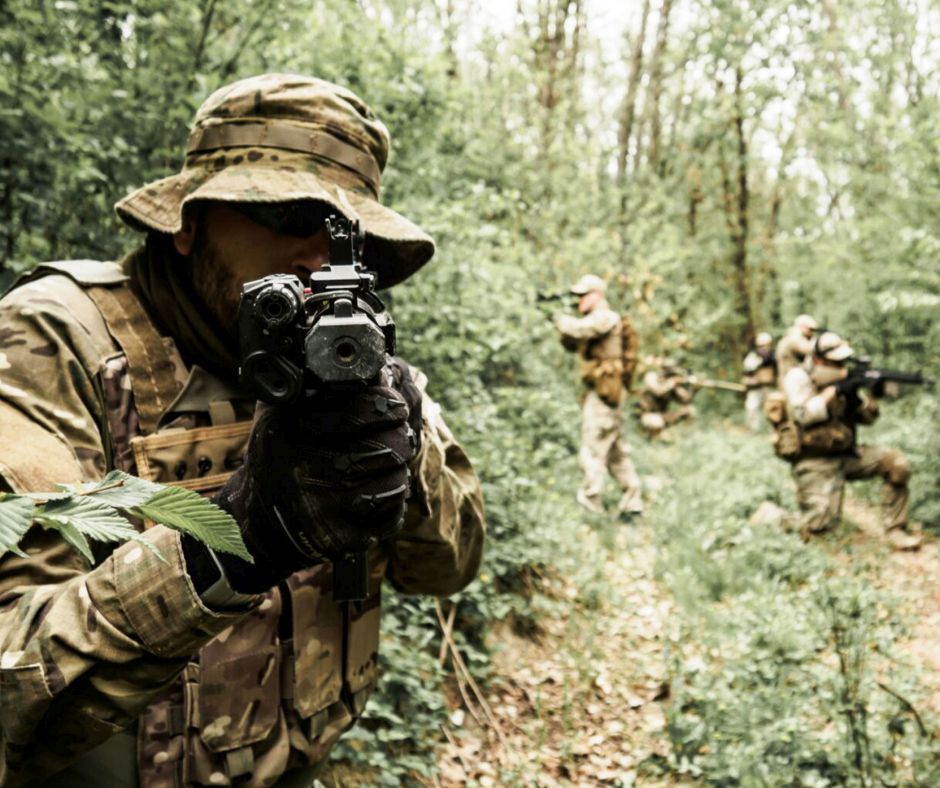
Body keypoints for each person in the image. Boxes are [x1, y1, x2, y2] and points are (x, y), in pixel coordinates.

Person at [0, 74, 485, 786]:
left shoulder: (354, 356)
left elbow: (450, 567)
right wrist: (240, 536)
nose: (320, 258)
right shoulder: (58, 341)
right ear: (190, 223)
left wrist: (408, 460)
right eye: (289, 215)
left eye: (351, 240)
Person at [778, 330, 921, 549]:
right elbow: (803, 415)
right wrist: (834, 391)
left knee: (896, 463)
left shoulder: (844, 379)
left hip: (848, 455)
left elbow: (867, 419)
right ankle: (773, 518)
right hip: (814, 460)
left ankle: (896, 529)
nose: (840, 367)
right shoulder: (798, 377)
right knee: (820, 526)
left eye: (843, 361)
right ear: (818, 359)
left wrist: (864, 398)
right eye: (835, 362)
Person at [554, 274, 643, 520]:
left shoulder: (605, 317)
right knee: (616, 452)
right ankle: (632, 501)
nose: (579, 300)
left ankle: (590, 502)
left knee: (593, 448)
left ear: (597, 295)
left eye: (584, 295)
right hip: (607, 394)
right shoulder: (596, 319)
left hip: (605, 395)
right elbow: (571, 343)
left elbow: (580, 329)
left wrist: (559, 318)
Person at [636, 358, 695, 439]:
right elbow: (658, 391)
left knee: (689, 411)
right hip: (649, 415)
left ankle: (685, 436)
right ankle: (653, 437)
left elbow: (685, 400)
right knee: (656, 422)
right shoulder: (651, 376)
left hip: (662, 415)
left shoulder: (671, 385)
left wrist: (693, 389)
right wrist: (672, 382)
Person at [742, 332, 777, 432]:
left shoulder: (774, 357)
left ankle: (773, 430)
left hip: (770, 387)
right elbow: (745, 377)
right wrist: (754, 380)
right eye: (762, 346)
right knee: (751, 407)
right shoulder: (752, 358)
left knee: (774, 407)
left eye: (767, 345)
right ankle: (753, 431)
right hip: (756, 388)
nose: (765, 348)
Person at [775, 313, 817, 385]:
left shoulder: (789, 336)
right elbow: (809, 349)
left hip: (789, 377)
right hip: (791, 379)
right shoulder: (794, 337)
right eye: (811, 329)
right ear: (803, 327)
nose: (812, 332)